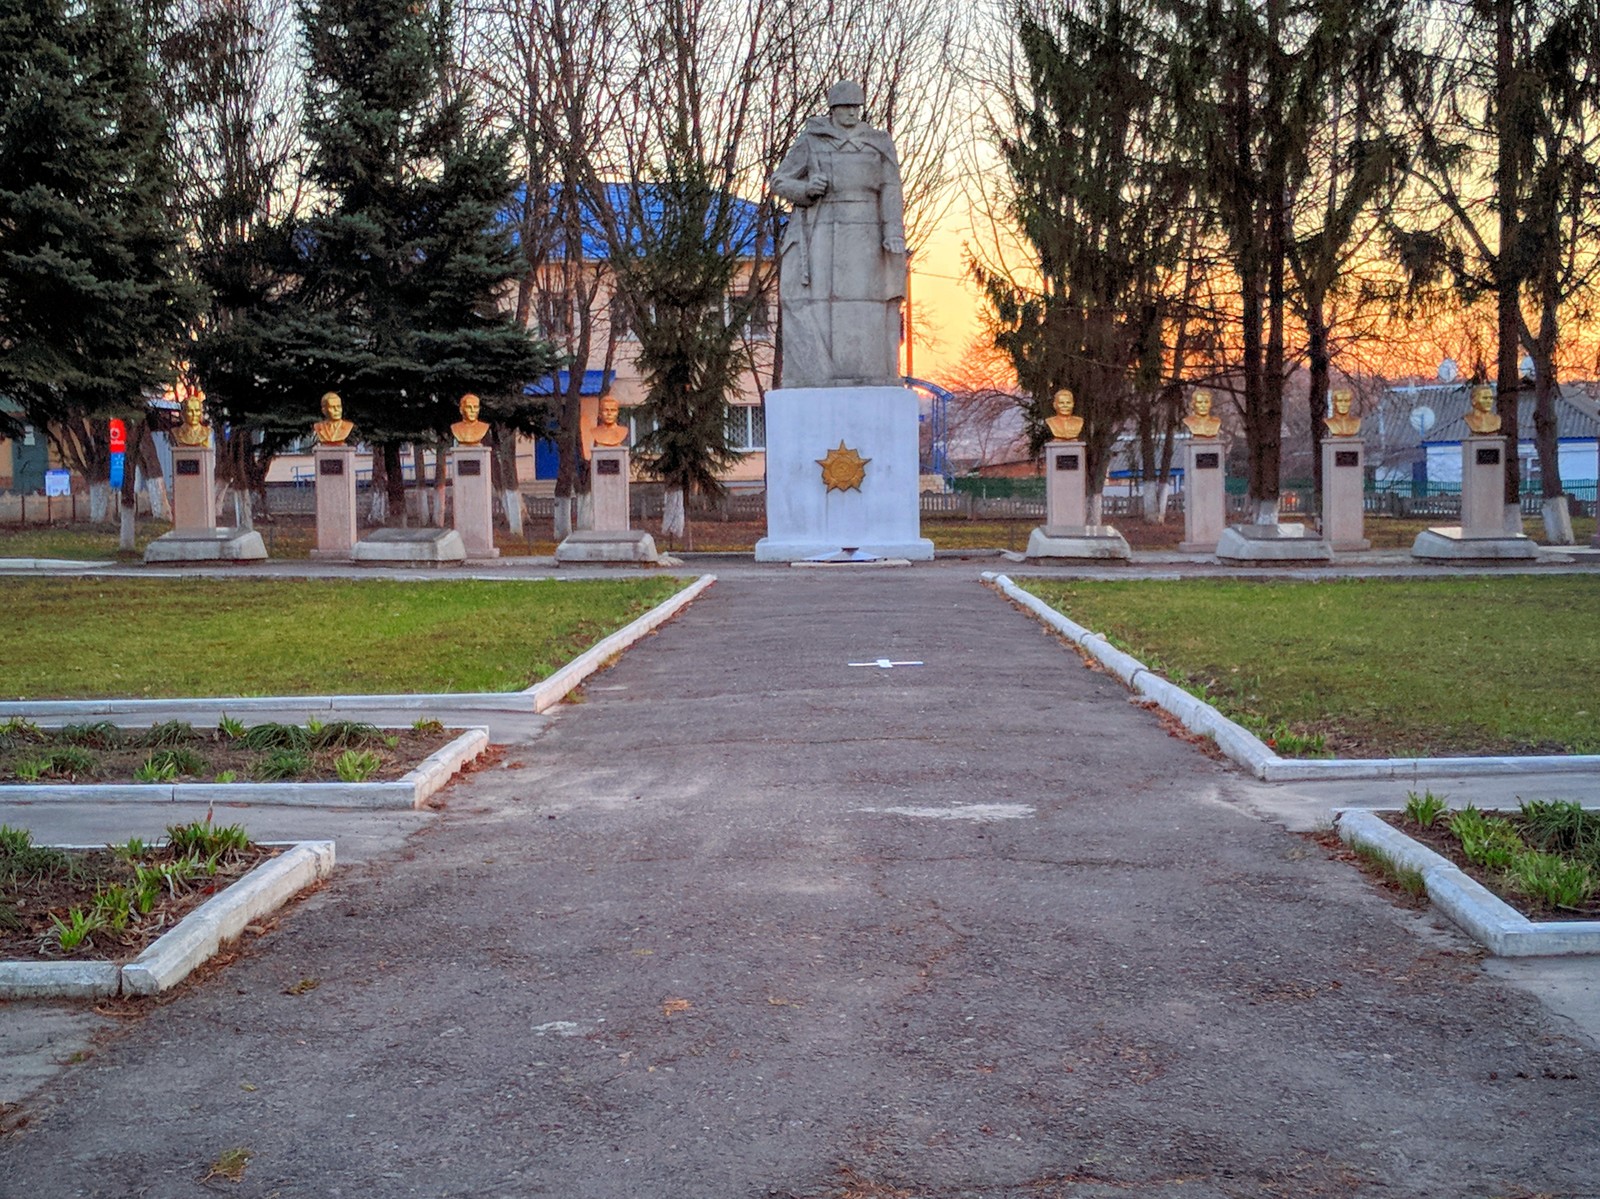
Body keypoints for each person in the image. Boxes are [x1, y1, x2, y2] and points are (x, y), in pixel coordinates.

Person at [769, 80, 907, 389]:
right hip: (824, 229)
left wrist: (893, 230)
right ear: (833, 109)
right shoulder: (812, 141)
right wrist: (806, 189)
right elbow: (779, 180)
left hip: (868, 230)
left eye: (855, 108)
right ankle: (822, 370)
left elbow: (891, 188)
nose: (851, 114)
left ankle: (870, 370)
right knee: (824, 303)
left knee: (870, 298)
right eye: (845, 107)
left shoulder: (878, 142)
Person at [582, 395, 629, 461]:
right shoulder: (595, 432)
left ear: (617, 413)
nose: (609, 413)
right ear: (600, 413)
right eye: (606, 410)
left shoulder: (623, 431)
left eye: (613, 410)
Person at [173, 380, 211, 447]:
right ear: (183, 413)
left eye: (197, 410)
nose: (194, 414)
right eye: (190, 411)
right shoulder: (176, 432)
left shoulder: (207, 432)